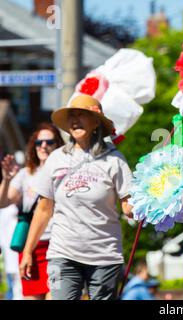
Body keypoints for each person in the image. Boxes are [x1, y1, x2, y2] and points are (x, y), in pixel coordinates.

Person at [19, 94, 134, 300]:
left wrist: (152, 200)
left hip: (104, 255)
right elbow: (44, 209)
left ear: (96, 122)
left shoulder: (114, 159)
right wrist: (28, 251)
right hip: (63, 253)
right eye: (72, 116)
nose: (75, 120)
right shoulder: (57, 158)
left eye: (82, 115)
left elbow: (128, 207)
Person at [0, 123, 64, 300]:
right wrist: (6, 180)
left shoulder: (64, 173)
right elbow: (3, 202)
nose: (43, 146)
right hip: (31, 249)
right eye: (39, 142)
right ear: (33, 145)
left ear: (58, 145)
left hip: (58, 248)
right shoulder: (25, 173)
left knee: (56, 295)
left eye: (49, 141)